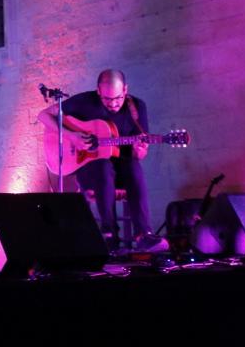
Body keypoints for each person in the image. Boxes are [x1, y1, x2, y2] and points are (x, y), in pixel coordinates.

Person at [37, 68, 168, 253]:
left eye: (118, 98)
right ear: (99, 91)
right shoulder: (84, 101)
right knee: (103, 165)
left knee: (133, 165)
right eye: (107, 99)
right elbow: (43, 115)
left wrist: (140, 151)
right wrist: (72, 136)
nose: (113, 104)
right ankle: (109, 234)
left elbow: (140, 154)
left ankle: (143, 234)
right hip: (90, 170)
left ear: (125, 90)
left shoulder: (137, 108)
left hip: (121, 170)